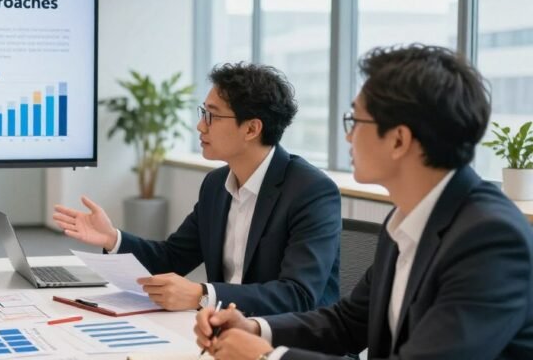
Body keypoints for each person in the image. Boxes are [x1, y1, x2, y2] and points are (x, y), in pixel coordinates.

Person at [196, 45, 533, 360]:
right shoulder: (408, 217)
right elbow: (347, 323)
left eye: (356, 120)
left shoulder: (490, 238)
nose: (347, 134)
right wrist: (256, 329)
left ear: (399, 140)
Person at [54, 63, 340, 315]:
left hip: (291, 345)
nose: (200, 126)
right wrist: (111, 238)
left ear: (251, 129)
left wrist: (202, 295)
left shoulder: (310, 191)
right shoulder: (216, 185)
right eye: (203, 113)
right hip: (224, 331)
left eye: (212, 116)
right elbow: (172, 259)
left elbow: (298, 295)